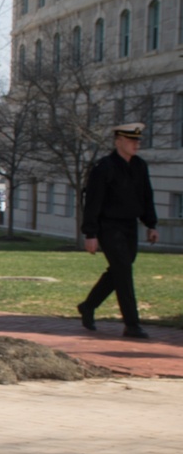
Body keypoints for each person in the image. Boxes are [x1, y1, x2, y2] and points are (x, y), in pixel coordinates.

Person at [78, 122, 158, 340]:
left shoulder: (140, 166)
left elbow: (146, 196)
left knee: (119, 270)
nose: (136, 144)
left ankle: (88, 306)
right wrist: (91, 234)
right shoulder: (103, 167)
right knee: (123, 270)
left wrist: (151, 224)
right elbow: (93, 202)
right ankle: (132, 324)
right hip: (108, 226)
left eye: (138, 141)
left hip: (130, 225)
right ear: (119, 141)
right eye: (132, 140)